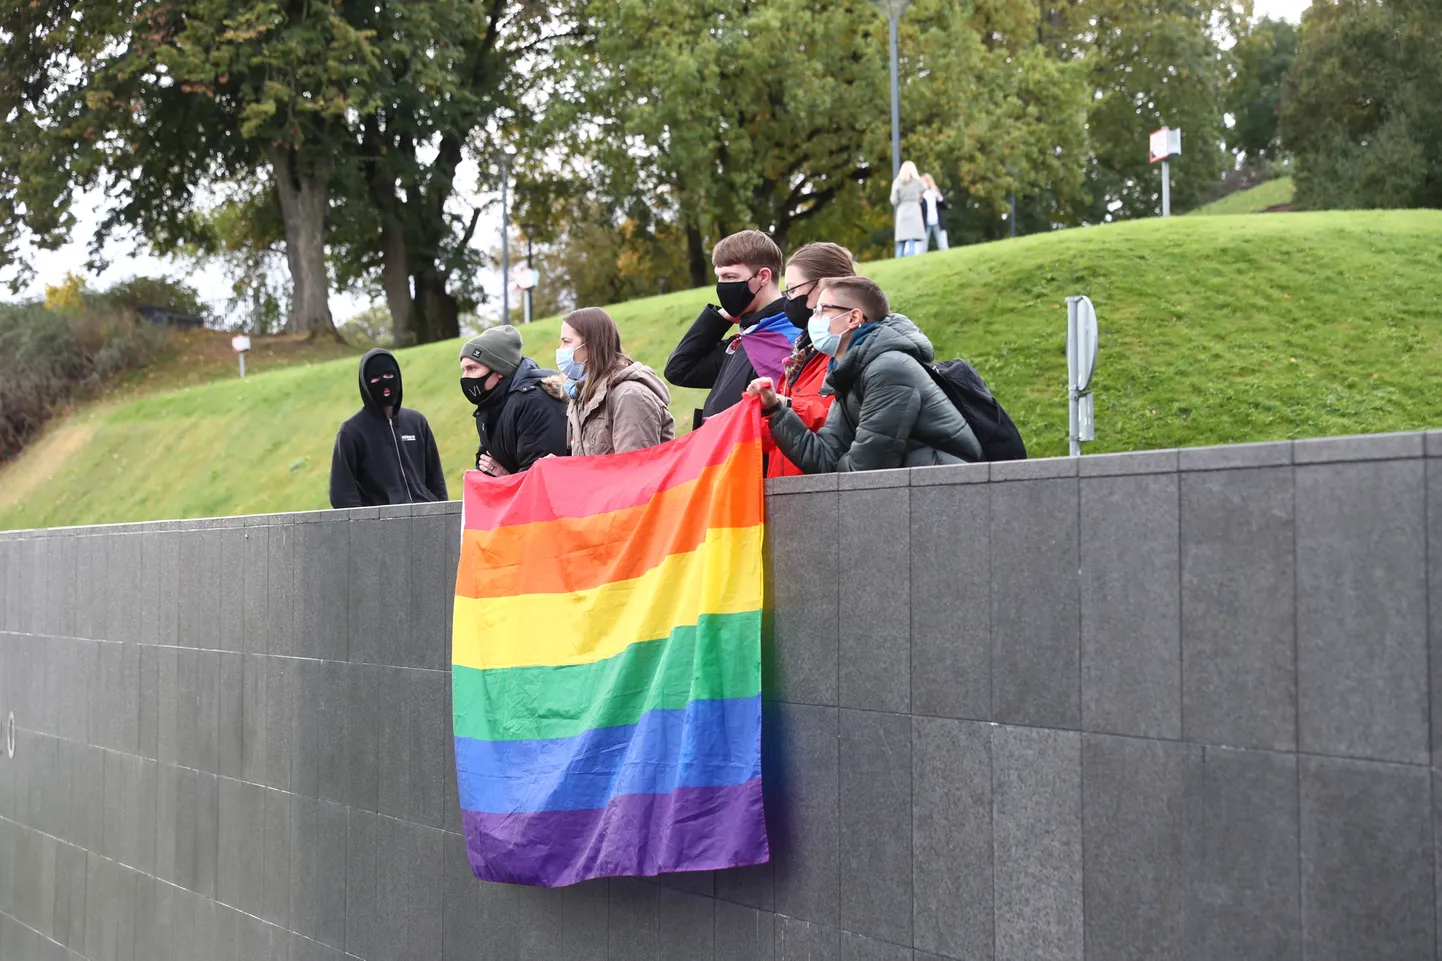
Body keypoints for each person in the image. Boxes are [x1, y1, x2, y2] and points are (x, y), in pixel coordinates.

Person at [746, 276, 982, 472]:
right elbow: (826, 458)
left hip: (943, 493)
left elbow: (865, 470)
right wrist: (776, 410)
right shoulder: (850, 371)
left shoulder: (888, 370)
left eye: (820, 310)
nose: (812, 318)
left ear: (853, 318)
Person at [665, 230, 789, 430]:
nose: (722, 286)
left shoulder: (786, 337)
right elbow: (680, 370)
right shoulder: (748, 334)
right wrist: (720, 318)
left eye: (730, 277)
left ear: (763, 276)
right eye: (719, 277)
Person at [766, 242, 857, 478]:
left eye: (793, 289)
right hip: (791, 495)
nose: (788, 300)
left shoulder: (850, 351)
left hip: (821, 494)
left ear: (825, 286)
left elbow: (839, 418)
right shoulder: (801, 353)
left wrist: (781, 407)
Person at [330, 348, 448, 507]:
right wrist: (365, 525)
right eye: (375, 378)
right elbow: (342, 493)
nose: (384, 382)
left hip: (426, 516)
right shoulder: (351, 432)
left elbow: (436, 479)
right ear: (365, 384)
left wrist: (442, 513)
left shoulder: (417, 422)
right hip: (382, 525)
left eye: (388, 375)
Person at [559, 307, 676, 457]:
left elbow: (634, 469)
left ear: (591, 344)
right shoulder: (581, 394)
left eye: (566, 342)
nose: (561, 349)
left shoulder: (630, 396)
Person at [458, 325, 569, 477]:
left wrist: (505, 479)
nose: (465, 377)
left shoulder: (534, 403)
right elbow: (486, 465)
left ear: (498, 370)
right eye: (463, 369)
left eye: (472, 368)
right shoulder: (491, 404)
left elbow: (541, 480)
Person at [890, 161, 927, 258]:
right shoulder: (916, 181)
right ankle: (911, 258)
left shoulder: (897, 182)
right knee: (911, 238)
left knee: (901, 240)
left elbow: (893, 200)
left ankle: (898, 260)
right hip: (914, 209)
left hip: (902, 210)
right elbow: (924, 188)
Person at [921, 173, 949, 252]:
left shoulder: (935, 192)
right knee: (923, 247)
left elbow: (945, 206)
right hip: (925, 223)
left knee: (943, 245)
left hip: (938, 221)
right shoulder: (921, 194)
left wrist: (939, 197)